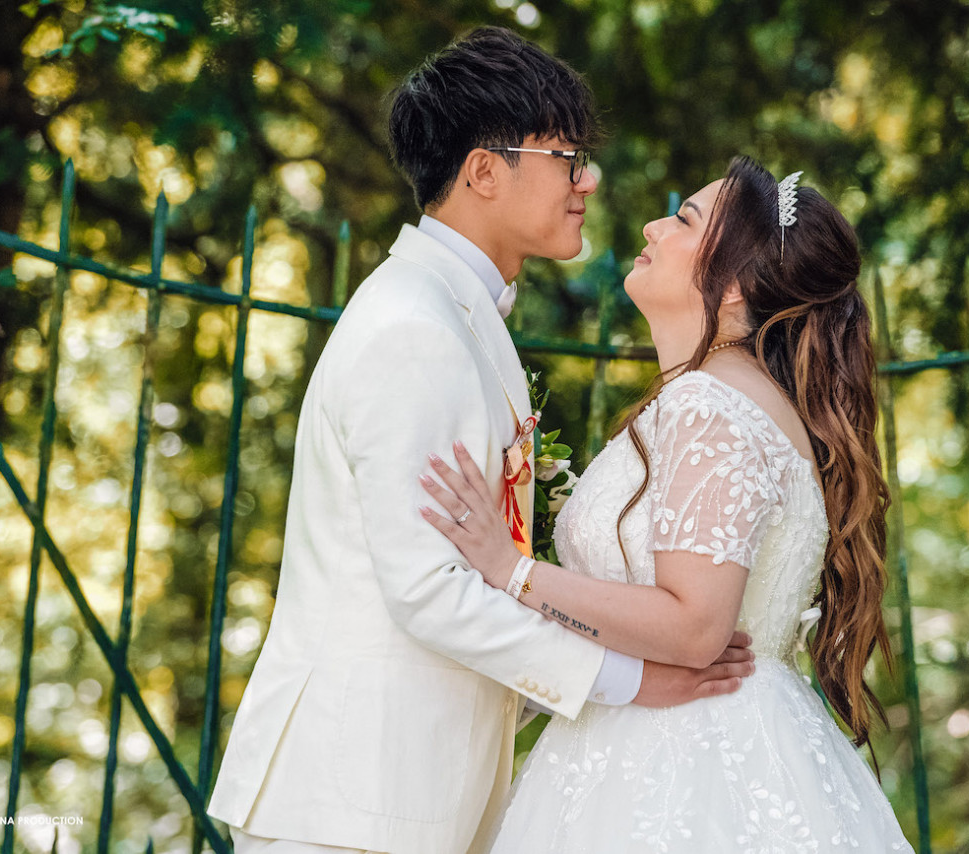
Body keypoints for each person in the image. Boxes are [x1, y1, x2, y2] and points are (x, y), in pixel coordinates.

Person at [206, 27, 754, 854]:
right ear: (485, 170)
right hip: (353, 806)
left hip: (405, 799)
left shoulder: (455, 317)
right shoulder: (412, 330)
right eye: (566, 158)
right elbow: (429, 593)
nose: (587, 181)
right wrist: (635, 682)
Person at [420, 156, 916, 852]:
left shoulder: (709, 406)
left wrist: (513, 571)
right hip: (734, 736)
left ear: (737, 290)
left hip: (680, 753)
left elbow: (695, 628)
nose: (653, 226)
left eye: (684, 218)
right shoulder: (738, 400)